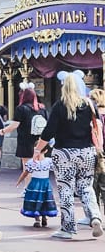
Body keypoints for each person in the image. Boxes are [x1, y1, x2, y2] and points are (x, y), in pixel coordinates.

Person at [33, 72, 103, 240]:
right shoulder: (90, 105)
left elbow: (48, 131)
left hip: (64, 152)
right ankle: (95, 216)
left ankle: (68, 228)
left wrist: (38, 150)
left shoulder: (60, 105)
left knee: (66, 189)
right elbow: (97, 127)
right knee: (86, 187)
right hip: (86, 151)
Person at [1, 87, 47, 170]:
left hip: (25, 141)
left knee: (28, 168)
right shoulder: (42, 109)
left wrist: (3, 131)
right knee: (40, 167)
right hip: (40, 141)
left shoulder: (21, 109)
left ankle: (28, 183)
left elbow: (15, 125)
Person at [17, 145, 57, 229]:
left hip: (39, 183)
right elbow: (26, 172)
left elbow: (25, 173)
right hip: (40, 183)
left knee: (39, 200)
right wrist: (19, 181)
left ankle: (40, 218)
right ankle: (40, 218)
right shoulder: (38, 162)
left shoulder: (40, 161)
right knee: (40, 200)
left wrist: (19, 181)